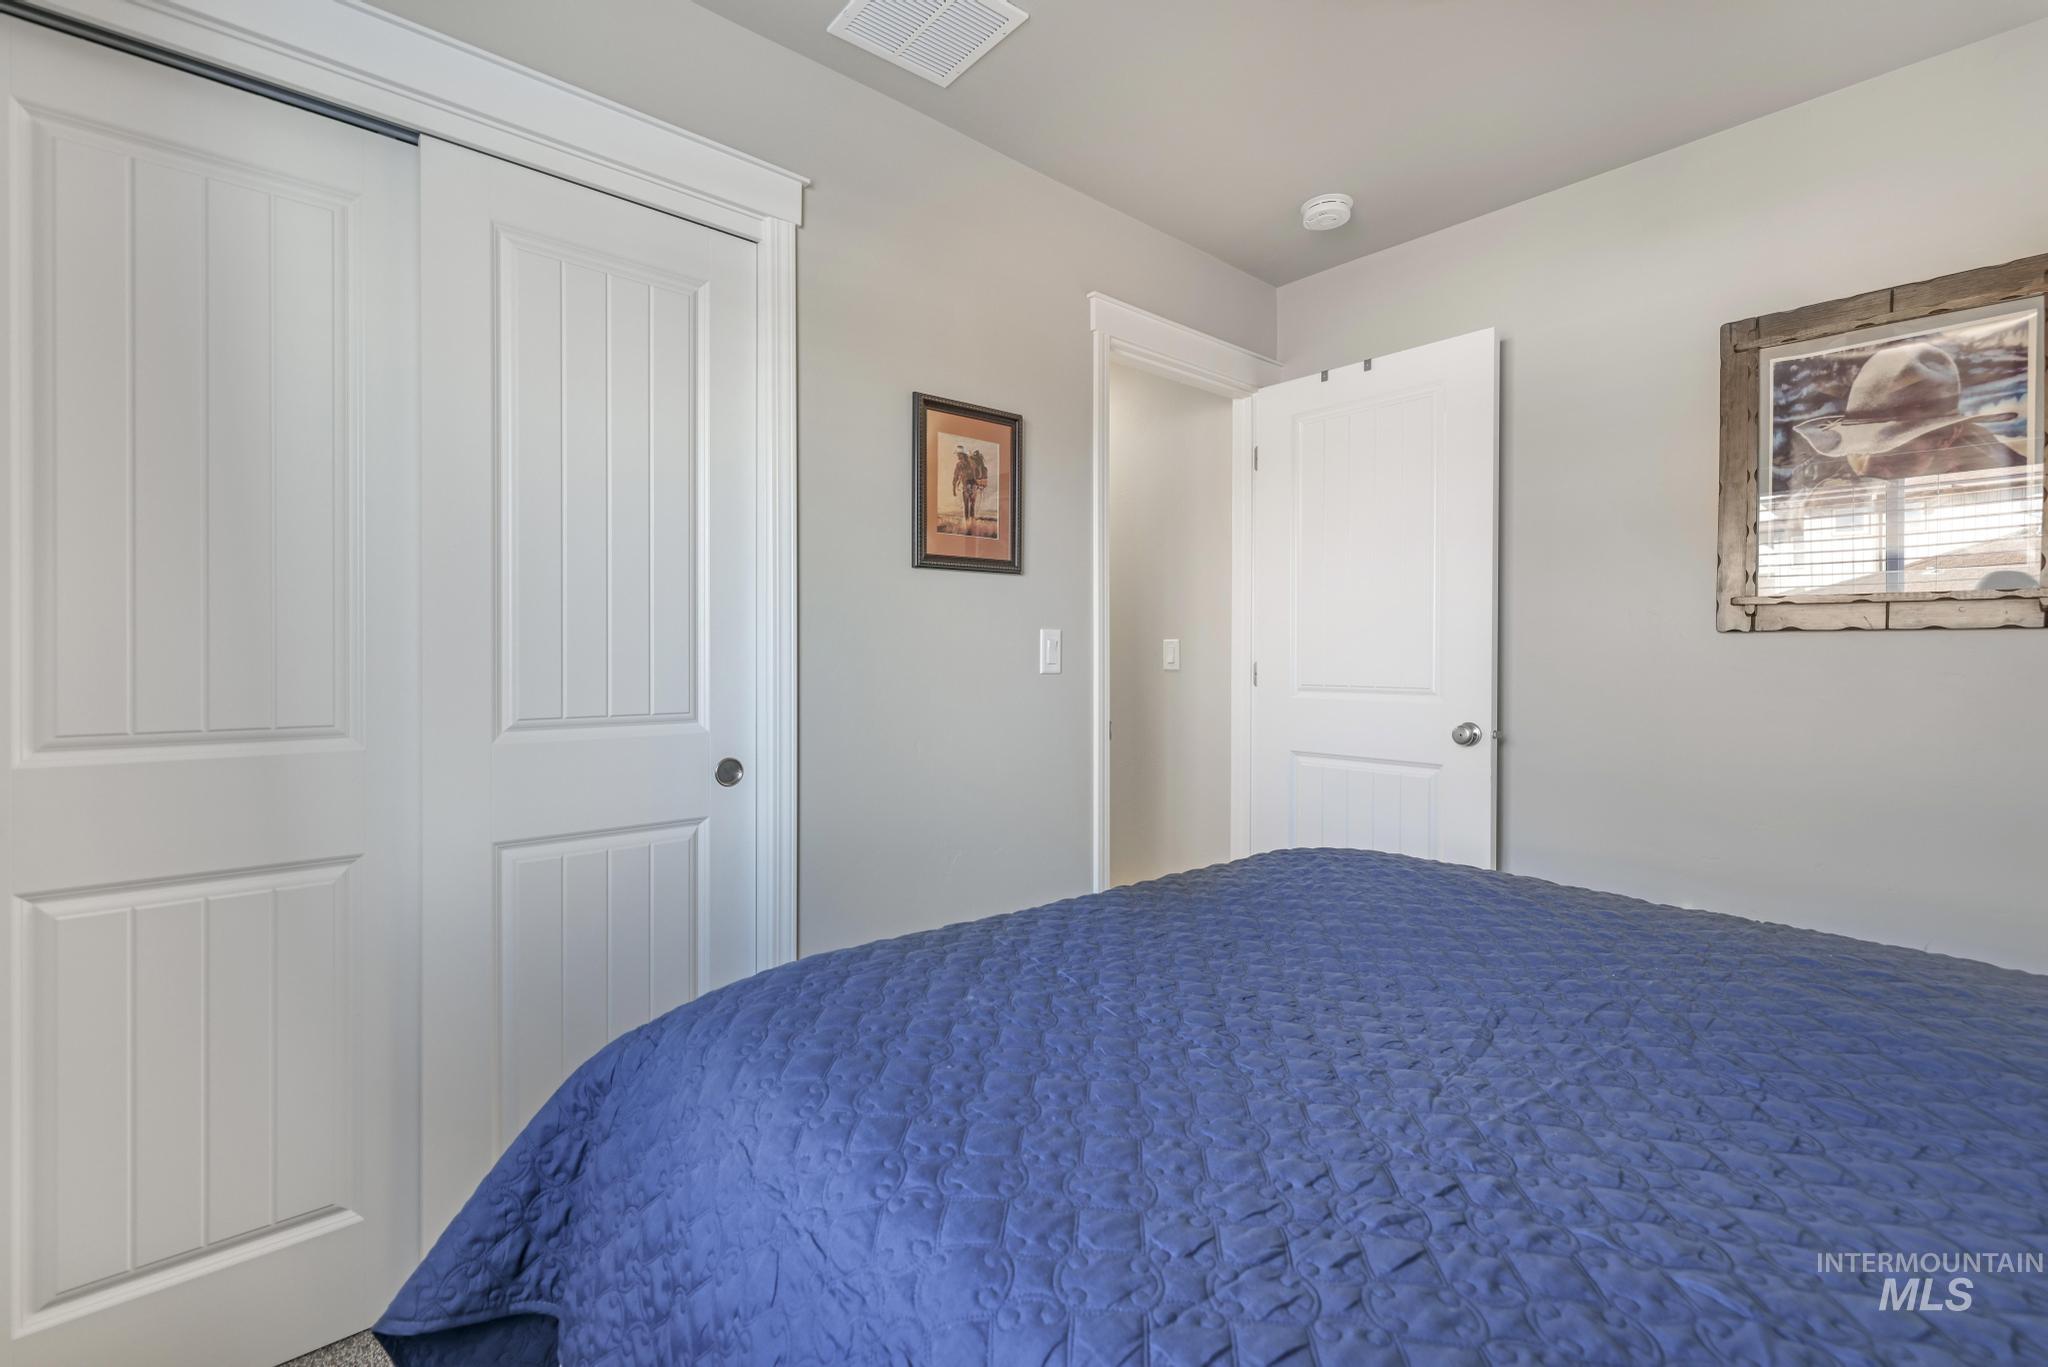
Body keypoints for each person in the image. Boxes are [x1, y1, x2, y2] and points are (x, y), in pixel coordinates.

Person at [1790, 340, 2025, 489]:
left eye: (1895, 449)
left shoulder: (2006, 479)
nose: (1869, 467)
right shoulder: (1845, 482)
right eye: (1861, 448)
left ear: (1949, 436)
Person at [951, 443, 989, 531]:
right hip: (970, 486)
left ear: (962, 454)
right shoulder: (963, 464)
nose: (957, 456)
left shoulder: (966, 463)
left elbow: (957, 476)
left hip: (970, 485)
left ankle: (969, 524)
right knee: (969, 505)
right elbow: (956, 476)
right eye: (957, 454)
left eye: (958, 454)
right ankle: (969, 525)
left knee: (969, 505)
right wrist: (954, 488)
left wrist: (954, 487)